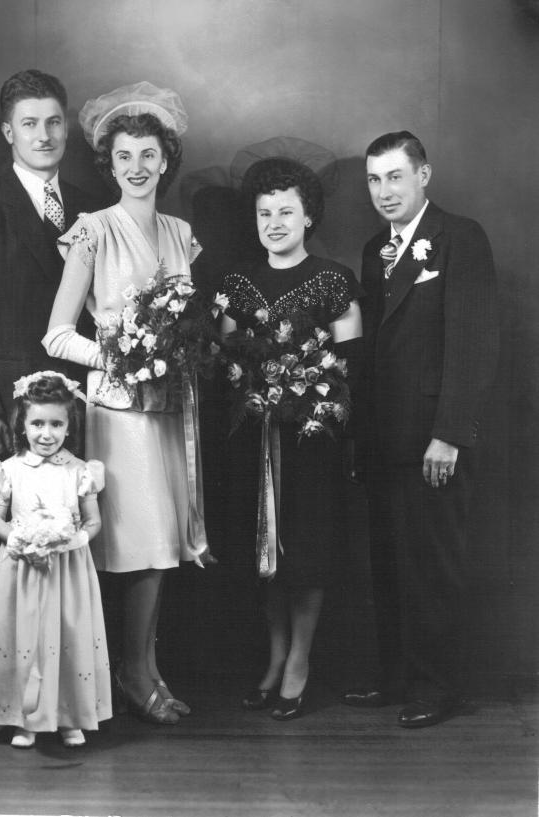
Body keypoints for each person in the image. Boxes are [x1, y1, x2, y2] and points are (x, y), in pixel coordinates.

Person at [43, 81, 209, 726]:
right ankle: (134, 674)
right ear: (108, 165)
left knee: (163, 544)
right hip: (119, 413)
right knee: (138, 545)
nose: (136, 168)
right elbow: (57, 333)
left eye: (147, 154)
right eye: (123, 157)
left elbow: (186, 322)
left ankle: (143, 667)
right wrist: (121, 356)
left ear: (165, 159)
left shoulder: (180, 232)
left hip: (171, 407)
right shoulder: (93, 232)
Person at [342, 131, 499, 728]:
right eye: (374, 180)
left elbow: (474, 341)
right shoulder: (370, 249)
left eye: (395, 177)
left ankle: (439, 688)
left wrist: (451, 432)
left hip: (434, 437)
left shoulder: (460, 237)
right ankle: (395, 679)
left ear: (423, 176)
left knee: (433, 565)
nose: (384, 191)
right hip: (383, 438)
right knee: (388, 563)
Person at [221, 155, 363, 720]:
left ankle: (300, 661)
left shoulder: (332, 279)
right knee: (264, 550)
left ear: (308, 218)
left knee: (305, 550)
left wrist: (306, 399)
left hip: (311, 441)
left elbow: (349, 368)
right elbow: (226, 362)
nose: (274, 222)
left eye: (286, 212)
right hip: (251, 440)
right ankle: (276, 657)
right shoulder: (237, 281)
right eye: (264, 212)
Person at [0, 68, 100, 458]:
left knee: (88, 513)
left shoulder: (90, 209)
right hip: (15, 403)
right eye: (29, 124)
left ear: (65, 128)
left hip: (85, 399)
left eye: (53, 123)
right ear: (9, 133)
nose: (44, 136)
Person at [0, 372, 111, 748]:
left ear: (69, 426)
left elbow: (93, 520)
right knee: (26, 641)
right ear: (23, 424)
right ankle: (26, 719)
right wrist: (20, 539)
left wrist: (76, 539)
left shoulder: (80, 471)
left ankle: (70, 716)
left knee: (67, 639)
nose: (46, 433)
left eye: (55, 424)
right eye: (37, 423)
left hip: (67, 571)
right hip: (22, 569)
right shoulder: (9, 470)